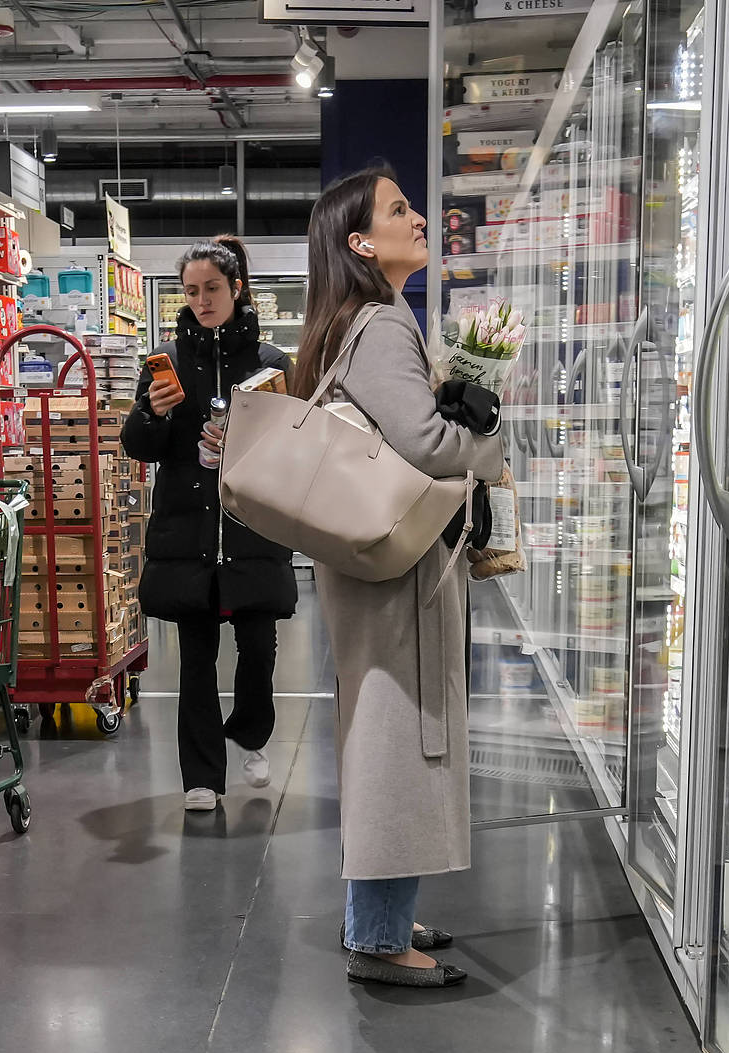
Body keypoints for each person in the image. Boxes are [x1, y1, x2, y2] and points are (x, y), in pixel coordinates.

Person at [297, 168, 505, 989]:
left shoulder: (345, 322)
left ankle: (379, 915)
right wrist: (490, 443)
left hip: (370, 563)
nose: (419, 218)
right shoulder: (383, 322)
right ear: (360, 242)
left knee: (380, 734)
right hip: (399, 571)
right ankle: (380, 941)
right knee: (399, 743)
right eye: (398, 210)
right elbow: (424, 445)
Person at [122, 236, 296, 813]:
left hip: (253, 530)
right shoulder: (166, 362)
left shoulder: (271, 364)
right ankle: (201, 777)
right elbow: (138, 446)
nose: (202, 300)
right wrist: (152, 413)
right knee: (195, 662)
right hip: (187, 534)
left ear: (237, 288)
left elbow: (293, 447)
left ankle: (250, 730)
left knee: (259, 652)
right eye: (192, 291)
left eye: (212, 288)